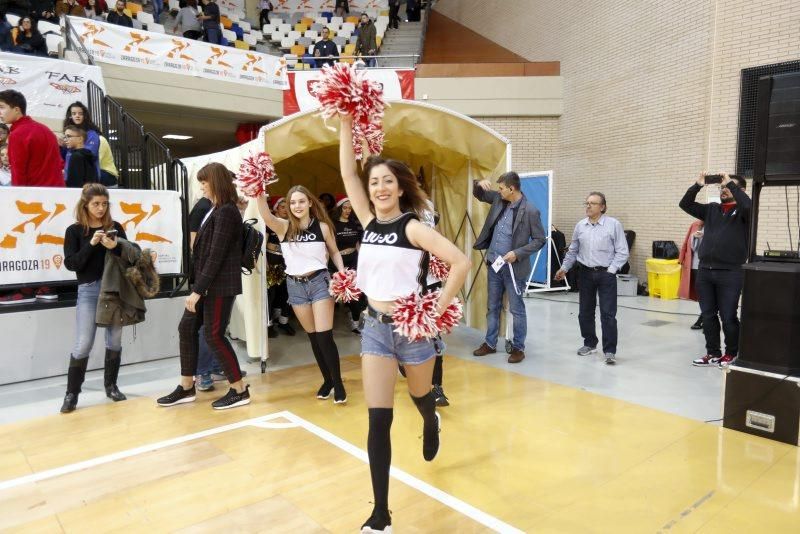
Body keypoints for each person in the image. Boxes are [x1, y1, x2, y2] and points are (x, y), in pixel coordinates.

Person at [338, 115, 470, 534]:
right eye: (374, 181)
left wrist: (433, 312)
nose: (379, 188)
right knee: (379, 419)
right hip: (375, 328)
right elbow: (347, 171)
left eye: (387, 181)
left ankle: (430, 420)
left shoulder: (412, 228)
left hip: (413, 332)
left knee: (421, 397)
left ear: (400, 187)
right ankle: (381, 513)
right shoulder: (367, 222)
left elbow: (461, 263)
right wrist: (345, 119)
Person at [157, 163, 250, 410]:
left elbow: (216, 255)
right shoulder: (216, 209)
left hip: (219, 285)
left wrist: (198, 290)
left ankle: (239, 389)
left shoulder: (227, 211)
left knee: (213, 334)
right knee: (187, 328)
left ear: (216, 181)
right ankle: (187, 385)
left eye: (205, 181)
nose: (201, 185)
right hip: (208, 284)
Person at [256, 185, 348, 403]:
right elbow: (265, 215)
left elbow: (334, 251)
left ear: (310, 203)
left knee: (325, 337)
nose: (297, 206)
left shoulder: (323, 227)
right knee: (314, 338)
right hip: (295, 286)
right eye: (293, 202)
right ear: (288, 206)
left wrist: (342, 274)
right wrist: (258, 192)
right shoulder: (283, 227)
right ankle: (328, 381)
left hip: (320, 282)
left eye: (301, 201)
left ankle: (339, 383)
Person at [61, 184, 130, 413]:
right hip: (89, 290)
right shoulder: (75, 231)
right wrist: (91, 245)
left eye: (104, 204)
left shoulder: (116, 227)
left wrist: (116, 247)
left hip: (114, 289)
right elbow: (72, 264)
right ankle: (72, 394)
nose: (100, 208)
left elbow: (130, 258)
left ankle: (111, 386)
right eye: (95, 204)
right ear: (85, 204)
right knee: (83, 344)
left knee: (115, 340)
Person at [471, 173, 546, 364]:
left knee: (517, 309)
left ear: (511, 189)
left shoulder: (530, 211)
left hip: (514, 269)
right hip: (494, 265)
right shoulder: (499, 199)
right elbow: (479, 194)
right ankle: (490, 343)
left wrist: (518, 253)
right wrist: (478, 183)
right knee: (492, 306)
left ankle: (519, 348)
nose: (499, 191)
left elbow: (539, 240)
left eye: (502, 188)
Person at [679, 173, 751, 368]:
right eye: (721, 188)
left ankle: (732, 353)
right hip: (706, 272)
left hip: (731, 272)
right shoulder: (711, 210)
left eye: (727, 187)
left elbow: (748, 205)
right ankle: (712, 353)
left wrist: (730, 183)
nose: (723, 190)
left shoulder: (745, 212)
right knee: (708, 315)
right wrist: (698, 185)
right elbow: (685, 204)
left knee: (728, 316)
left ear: (740, 190)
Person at [555, 192, 629, 365]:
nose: (588, 206)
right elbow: (573, 250)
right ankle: (589, 343)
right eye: (586, 203)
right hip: (585, 274)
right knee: (585, 313)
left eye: (592, 203)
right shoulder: (580, 226)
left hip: (606, 275)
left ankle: (610, 350)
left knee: (608, 314)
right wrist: (564, 268)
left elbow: (622, 251)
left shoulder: (613, 225)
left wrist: (611, 270)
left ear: (602, 207)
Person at [0, 90, 63, 187]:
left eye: (2, 107)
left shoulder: (17, 134)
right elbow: (59, 163)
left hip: (33, 196)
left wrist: (17, 196)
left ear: (16, 110)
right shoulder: (45, 129)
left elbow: (18, 173)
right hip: (57, 192)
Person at [330, 194, 365, 333]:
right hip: (338, 262)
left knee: (356, 293)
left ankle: (355, 322)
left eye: (350, 208)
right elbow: (331, 248)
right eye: (345, 208)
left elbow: (357, 243)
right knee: (335, 295)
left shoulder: (353, 223)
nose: (348, 210)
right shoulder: (333, 225)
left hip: (353, 259)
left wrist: (362, 258)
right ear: (339, 208)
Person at [264, 196, 295, 338]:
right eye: (282, 207)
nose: (285, 210)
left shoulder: (291, 224)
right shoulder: (269, 224)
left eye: (287, 207)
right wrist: (266, 264)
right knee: (270, 295)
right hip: (272, 264)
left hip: (287, 265)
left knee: (287, 294)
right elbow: (264, 247)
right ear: (276, 208)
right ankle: (268, 324)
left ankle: (283, 322)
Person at [63, 101, 102, 181]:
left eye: (80, 113)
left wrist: (74, 144)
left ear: (85, 116)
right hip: (69, 176)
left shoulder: (92, 134)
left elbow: (90, 154)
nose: (77, 116)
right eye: (74, 114)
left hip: (87, 178)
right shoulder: (68, 132)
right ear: (70, 116)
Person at [679, 219, 704, 330]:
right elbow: (687, 243)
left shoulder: (717, 224)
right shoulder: (695, 224)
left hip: (708, 266)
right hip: (694, 265)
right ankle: (706, 317)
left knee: (705, 295)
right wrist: (681, 259)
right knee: (700, 295)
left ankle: (703, 319)